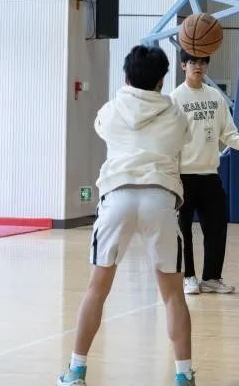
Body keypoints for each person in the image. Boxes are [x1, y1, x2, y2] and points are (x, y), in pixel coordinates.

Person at [57, 46, 196, 386]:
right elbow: (184, 139)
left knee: (96, 289)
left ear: (126, 77)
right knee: (173, 295)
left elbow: (101, 127)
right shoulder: (176, 114)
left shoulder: (111, 109)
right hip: (159, 197)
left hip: (117, 196)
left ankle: (76, 371)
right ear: (162, 81)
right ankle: (184, 376)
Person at [170, 50, 239, 295]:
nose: (198, 66)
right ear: (183, 65)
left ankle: (211, 277)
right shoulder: (175, 99)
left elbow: (229, 134)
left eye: (203, 62)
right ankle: (188, 277)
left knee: (217, 227)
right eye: (193, 62)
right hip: (182, 177)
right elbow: (168, 141)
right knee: (183, 230)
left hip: (210, 175)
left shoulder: (215, 97)